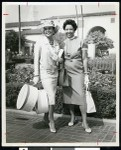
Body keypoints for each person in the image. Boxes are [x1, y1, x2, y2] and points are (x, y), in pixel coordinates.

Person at [33, 20, 63, 133]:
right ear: (43, 31)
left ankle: (46, 117)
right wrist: (36, 75)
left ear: (53, 30)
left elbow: (59, 60)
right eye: (45, 29)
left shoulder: (56, 43)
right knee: (51, 97)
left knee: (50, 97)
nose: (47, 30)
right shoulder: (39, 43)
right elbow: (36, 60)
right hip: (44, 73)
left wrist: (59, 60)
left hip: (54, 73)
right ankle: (51, 120)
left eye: (50, 28)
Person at [62, 19, 91, 133]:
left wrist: (86, 73)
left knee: (81, 97)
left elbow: (84, 58)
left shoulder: (81, 41)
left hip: (78, 73)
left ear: (74, 29)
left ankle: (84, 122)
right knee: (69, 97)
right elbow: (60, 58)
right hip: (66, 73)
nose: (68, 31)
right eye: (67, 29)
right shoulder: (62, 43)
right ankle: (72, 117)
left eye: (71, 29)